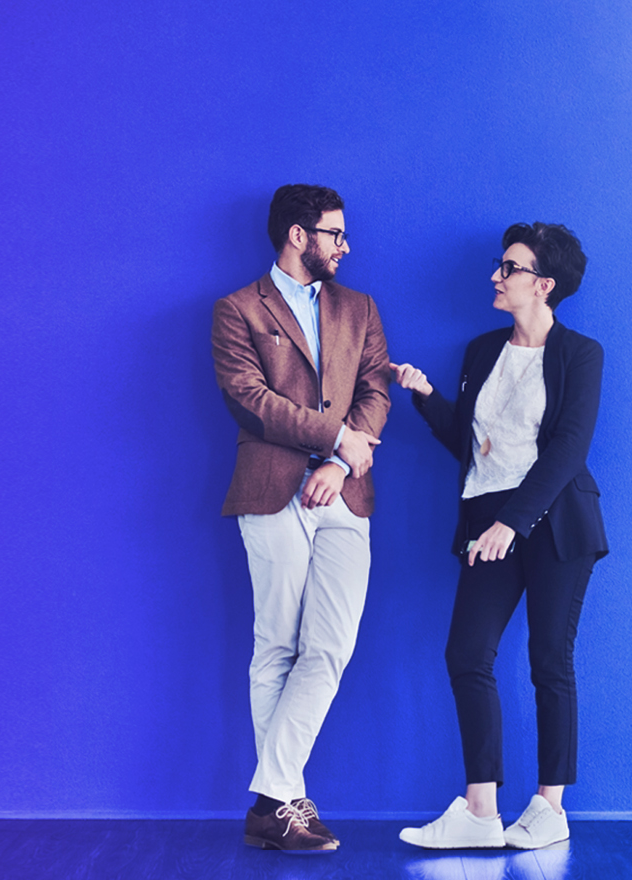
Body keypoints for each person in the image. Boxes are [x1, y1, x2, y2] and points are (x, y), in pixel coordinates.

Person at [393, 222, 606, 850]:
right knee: (466, 654)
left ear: (544, 285)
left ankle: (550, 808)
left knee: (549, 660)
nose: (496, 275)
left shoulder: (581, 354)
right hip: (487, 520)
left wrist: (513, 523)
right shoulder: (482, 350)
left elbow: (569, 449)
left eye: (509, 268)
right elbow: (470, 443)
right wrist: (426, 396)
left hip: (555, 521)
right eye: (500, 264)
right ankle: (480, 811)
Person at [212, 184, 391, 852]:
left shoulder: (359, 307)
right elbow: (249, 400)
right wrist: (334, 436)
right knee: (277, 647)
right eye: (335, 234)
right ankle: (285, 806)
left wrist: (341, 461)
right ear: (298, 235)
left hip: (345, 492)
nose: (345, 245)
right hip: (270, 489)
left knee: (330, 647)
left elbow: (375, 390)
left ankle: (271, 800)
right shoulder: (237, 310)